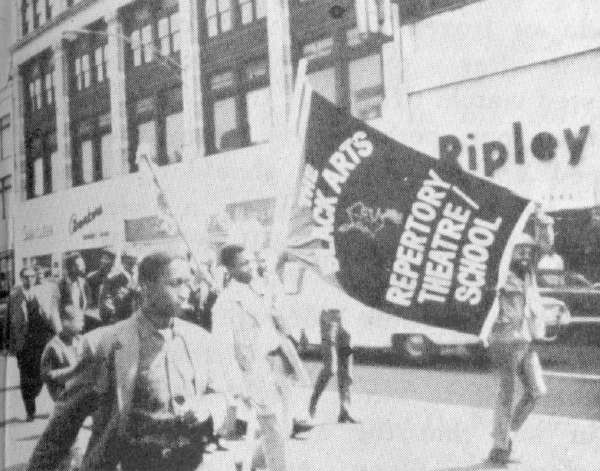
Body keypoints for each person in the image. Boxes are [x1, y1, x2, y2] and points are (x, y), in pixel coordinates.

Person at [28, 251, 229, 471]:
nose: (185, 292)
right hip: (140, 462)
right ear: (146, 286)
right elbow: (63, 424)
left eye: (188, 283)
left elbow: (217, 392)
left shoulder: (198, 338)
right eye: (175, 283)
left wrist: (206, 408)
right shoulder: (107, 343)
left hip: (193, 461)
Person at [212, 244, 298, 471]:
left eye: (250, 261)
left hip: (279, 362)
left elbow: (283, 323)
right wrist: (237, 386)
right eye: (243, 264)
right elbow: (224, 350)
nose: (250, 267)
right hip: (255, 371)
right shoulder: (225, 303)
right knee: (274, 429)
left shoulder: (263, 287)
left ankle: (251, 463)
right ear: (229, 269)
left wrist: (276, 295)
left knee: (286, 427)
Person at [487, 233, 547, 465]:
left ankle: (504, 434)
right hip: (504, 341)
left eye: (527, 251)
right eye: (519, 250)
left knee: (537, 391)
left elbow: (544, 245)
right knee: (506, 394)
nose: (525, 255)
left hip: (526, 339)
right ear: (508, 252)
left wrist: (542, 218)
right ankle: (500, 448)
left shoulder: (528, 274)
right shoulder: (499, 276)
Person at [9, 267, 62, 421]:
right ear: (21, 278)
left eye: (32, 276)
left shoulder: (43, 292)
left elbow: (50, 316)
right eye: (26, 277)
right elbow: (8, 321)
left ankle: (59, 406)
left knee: (48, 374)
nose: (29, 279)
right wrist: (9, 343)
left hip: (41, 342)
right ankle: (30, 411)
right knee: (27, 380)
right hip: (24, 345)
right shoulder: (15, 295)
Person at [308, 307, 358, 424]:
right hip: (329, 318)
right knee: (330, 368)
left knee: (346, 368)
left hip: (346, 316)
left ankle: (345, 410)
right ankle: (313, 402)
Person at [40, 303, 85, 401]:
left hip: (83, 393)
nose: (83, 324)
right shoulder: (53, 347)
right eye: (80, 321)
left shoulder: (82, 340)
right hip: (65, 399)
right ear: (66, 322)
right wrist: (73, 370)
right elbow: (46, 375)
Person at [98, 250, 139, 324]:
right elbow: (107, 303)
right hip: (119, 320)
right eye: (130, 260)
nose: (133, 263)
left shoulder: (135, 278)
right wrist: (128, 289)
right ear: (123, 261)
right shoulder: (114, 278)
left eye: (135, 260)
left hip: (134, 320)